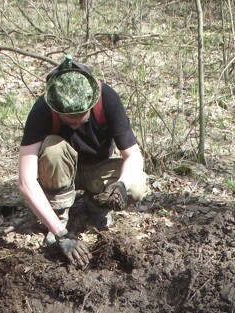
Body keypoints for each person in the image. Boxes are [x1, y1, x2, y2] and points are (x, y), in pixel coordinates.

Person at [18, 56, 148, 267]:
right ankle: (60, 216)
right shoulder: (43, 109)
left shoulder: (107, 99)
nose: (77, 126)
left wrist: (121, 185)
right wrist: (59, 232)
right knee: (52, 148)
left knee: (136, 185)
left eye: (82, 119)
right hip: (60, 170)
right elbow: (25, 180)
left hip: (97, 169)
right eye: (70, 121)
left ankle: (96, 206)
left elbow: (133, 156)